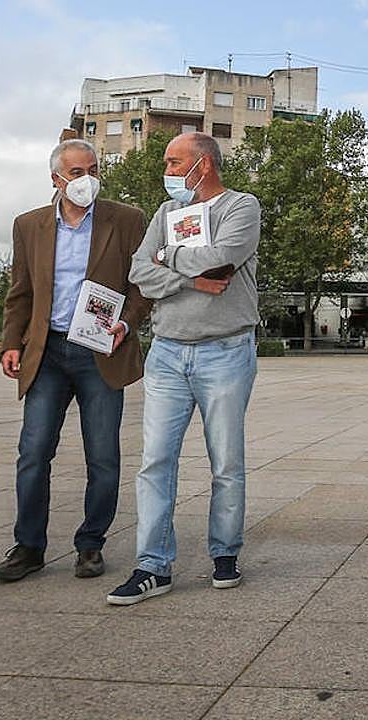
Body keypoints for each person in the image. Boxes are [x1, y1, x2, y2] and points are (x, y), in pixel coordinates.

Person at [0, 139, 151, 582]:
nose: (88, 180)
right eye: (77, 172)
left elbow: (142, 286)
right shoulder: (29, 225)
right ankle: (28, 547)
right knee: (33, 452)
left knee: (102, 456)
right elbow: (19, 292)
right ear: (56, 180)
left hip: (102, 351)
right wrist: (11, 343)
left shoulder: (127, 220)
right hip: (47, 352)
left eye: (94, 170)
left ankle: (90, 544)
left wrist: (127, 322)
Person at [111, 132, 260, 605]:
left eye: (175, 163)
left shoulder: (241, 207)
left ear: (204, 164)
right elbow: (139, 271)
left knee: (226, 462)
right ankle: (152, 565)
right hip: (168, 353)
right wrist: (190, 276)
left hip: (226, 351)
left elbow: (221, 260)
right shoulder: (166, 213)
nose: (168, 171)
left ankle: (225, 553)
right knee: (155, 461)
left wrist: (168, 259)